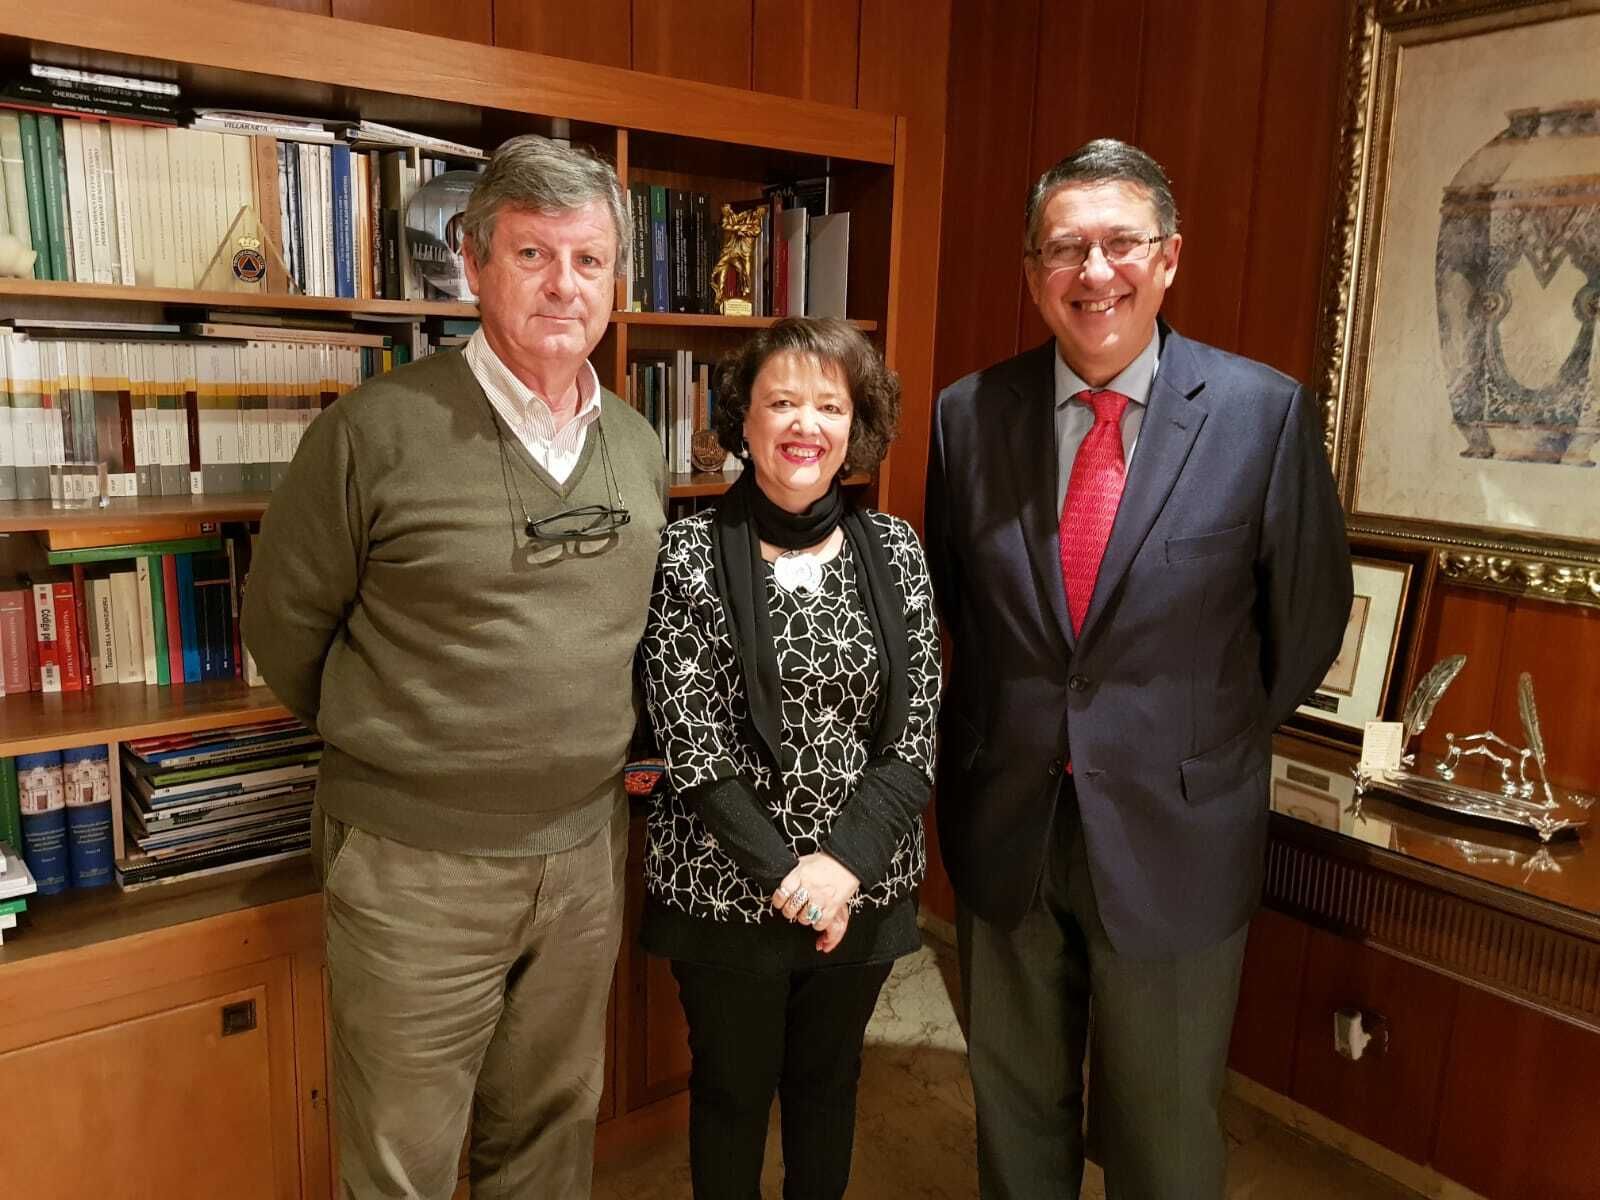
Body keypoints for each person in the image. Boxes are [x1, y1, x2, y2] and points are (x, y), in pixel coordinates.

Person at [924, 138, 1353, 1198]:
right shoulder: (966, 415)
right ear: (1033, 274)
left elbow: (1302, 624)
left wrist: (1187, 742)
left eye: (1121, 244)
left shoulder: (1262, 414)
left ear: (1168, 259)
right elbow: (960, 614)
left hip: (1177, 829)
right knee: (1016, 1114)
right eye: (1065, 249)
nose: (1094, 273)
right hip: (1008, 820)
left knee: (1162, 1135)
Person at [242, 134, 666, 1200]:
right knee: (401, 1162)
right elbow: (286, 631)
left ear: (615, 277)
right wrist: (416, 753)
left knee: (550, 1136)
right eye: (532, 255)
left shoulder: (636, 440)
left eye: (588, 260)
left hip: (581, 859)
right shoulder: (371, 433)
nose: (563, 286)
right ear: (475, 264)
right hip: (410, 868)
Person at [639, 317, 940, 1200]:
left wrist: (841, 868)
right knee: (730, 1096)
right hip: (726, 891)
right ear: (745, 420)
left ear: (856, 426)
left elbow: (914, 733)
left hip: (864, 887)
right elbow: (692, 744)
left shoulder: (899, 552)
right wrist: (791, 879)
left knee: (828, 1088)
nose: (805, 424)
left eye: (828, 405)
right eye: (781, 402)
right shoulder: (688, 551)